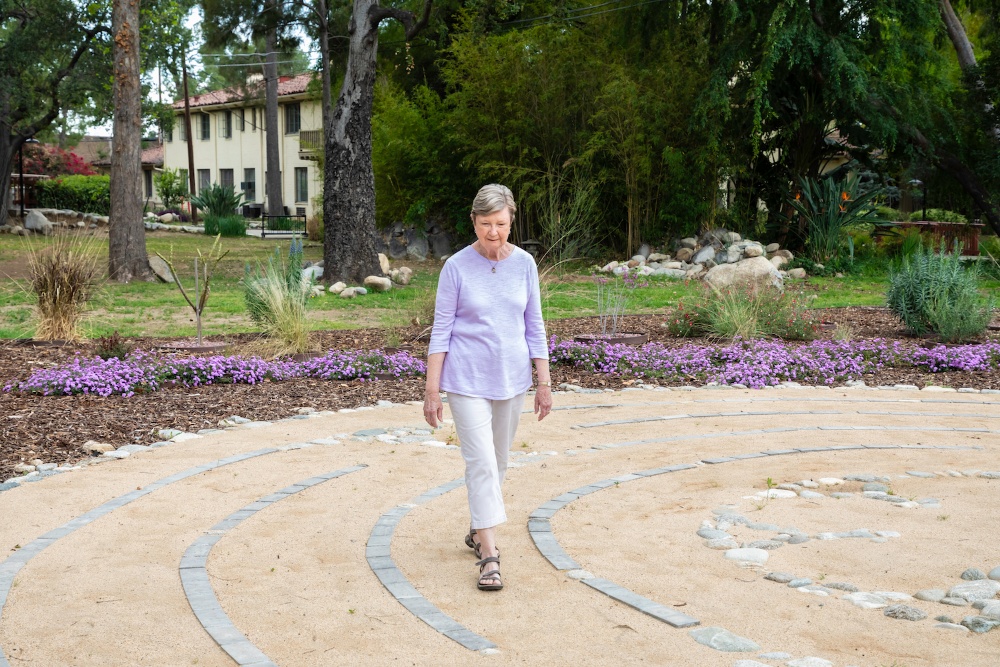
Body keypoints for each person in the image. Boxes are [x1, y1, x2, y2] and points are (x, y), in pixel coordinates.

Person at [423, 183, 552, 592]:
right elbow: (441, 330)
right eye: (484, 224)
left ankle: (479, 528)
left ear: (511, 219)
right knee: (479, 463)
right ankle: (491, 556)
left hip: (512, 379)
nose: (493, 232)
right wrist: (432, 388)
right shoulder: (456, 267)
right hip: (465, 380)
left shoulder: (525, 264)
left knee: (498, 463)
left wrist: (544, 382)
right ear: (473, 222)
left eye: (500, 223)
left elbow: (535, 325)